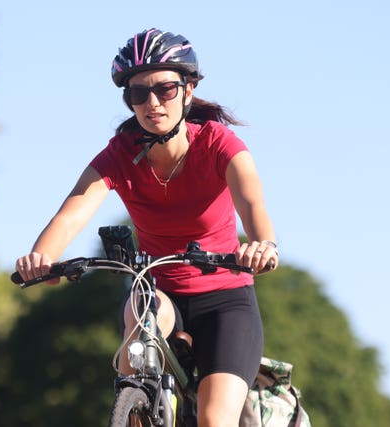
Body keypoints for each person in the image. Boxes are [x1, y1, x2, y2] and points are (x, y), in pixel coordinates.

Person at [15, 28, 279, 427]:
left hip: (226, 301)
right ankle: (138, 401)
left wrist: (263, 245)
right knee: (140, 319)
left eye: (165, 90)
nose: (152, 103)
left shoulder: (218, 145)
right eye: (139, 94)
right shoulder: (121, 154)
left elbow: (252, 202)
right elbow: (72, 212)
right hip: (160, 291)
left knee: (213, 420)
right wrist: (42, 259)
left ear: (188, 91)